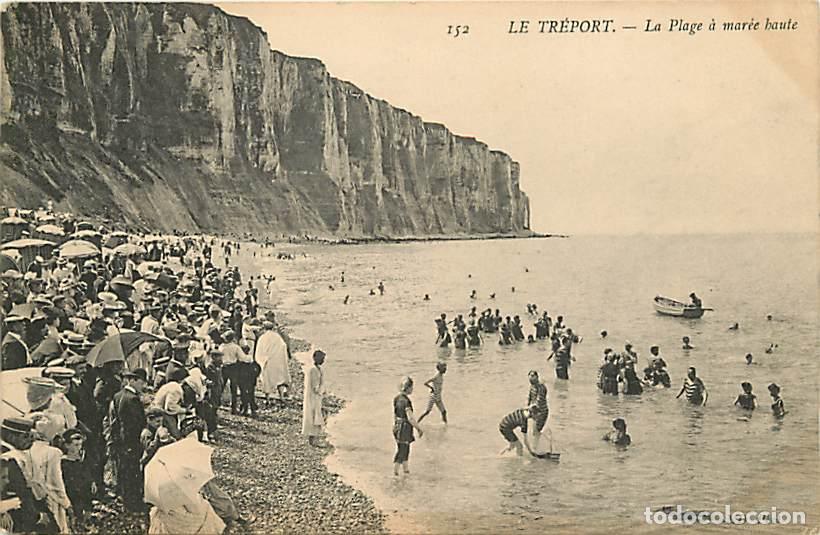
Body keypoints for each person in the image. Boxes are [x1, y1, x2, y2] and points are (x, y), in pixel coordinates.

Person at [0, 417, 56, 533]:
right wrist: (37, 516)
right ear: (11, 437)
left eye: (32, 436)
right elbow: (21, 491)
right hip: (18, 515)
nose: (31, 441)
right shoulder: (8, 458)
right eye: (26, 437)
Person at [109, 368, 148, 511]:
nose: (143, 386)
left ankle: (124, 498)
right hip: (130, 440)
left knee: (124, 470)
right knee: (132, 471)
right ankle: (133, 503)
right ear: (133, 380)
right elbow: (134, 423)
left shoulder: (118, 395)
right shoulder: (132, 399)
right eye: (141, 382)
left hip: (120, 439)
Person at [59, 428, 93, 529]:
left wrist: (91, 482)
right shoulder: (64, 462)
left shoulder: (81, 461)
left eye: (80, 445)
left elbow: (87, 476)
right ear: (67, 445)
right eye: (76, 445)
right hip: (71, 493)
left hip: (83, 493)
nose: (79, 448)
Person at [392, 377, 423, 476]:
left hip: (397, 425)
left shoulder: (396, 398)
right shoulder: (406, 401)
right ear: (408, 388)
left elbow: (395, 413)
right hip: (405, 427)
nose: (412, 389)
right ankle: (395, 471)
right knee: (403, 450)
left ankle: (406, 470)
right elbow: (410, 418)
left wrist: (396, 426)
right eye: (412, 387)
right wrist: (418, 428)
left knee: (402, 448)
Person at [258, 319, 291, 403]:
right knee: (279, 379)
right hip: (277, 361)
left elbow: (259, 351)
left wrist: (261, 360)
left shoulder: (262, 338)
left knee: (267, 380)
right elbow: (283, 346)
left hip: (267, 361)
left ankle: (268, 399)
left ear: (264, 328)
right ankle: (281, 397)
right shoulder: (277, 337)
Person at [302, 350, 327, 447]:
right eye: (322, 358)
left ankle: (314, 439)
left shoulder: (318, 369)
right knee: (312, 417)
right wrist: (322, 392)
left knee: (316, 416)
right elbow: (315, 386)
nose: (323, 360)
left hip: (315, 397)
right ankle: (312, 440)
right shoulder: (313, 370)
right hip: (313, 397)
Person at [526, 371, 549, 448]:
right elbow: (529, 398)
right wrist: (528, 406)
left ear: (537, 377)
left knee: (536, 431)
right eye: (530, 377)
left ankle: (539, 446)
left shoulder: (541, 387)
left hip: (542, 411)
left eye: (533, 376)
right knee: (534, 431)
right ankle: (536, 447)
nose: (531, 379)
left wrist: (532, 406)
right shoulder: (532, 386)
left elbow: (539, 399)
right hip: (535, 412)